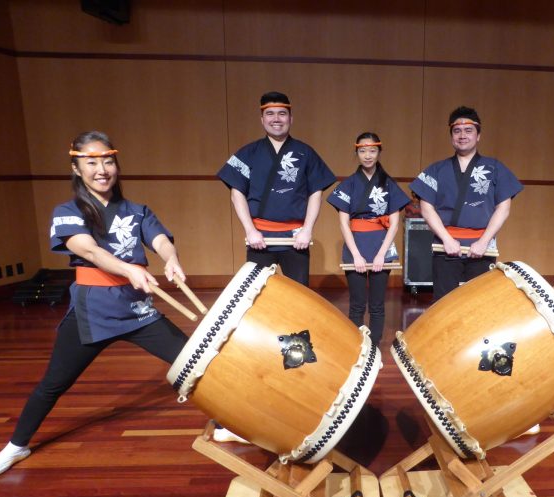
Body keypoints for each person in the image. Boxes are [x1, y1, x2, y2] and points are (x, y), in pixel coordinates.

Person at [0, 131, 190, 476]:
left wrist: (171, 258)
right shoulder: (67, 211)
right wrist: (130, 268)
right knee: (54, 382)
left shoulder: (136, 209)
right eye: (91, 161)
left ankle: (225, 423)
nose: (102, 169)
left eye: (107, 160)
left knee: (193, 361)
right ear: (76, 167)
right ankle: (16, 446)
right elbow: (88, 250)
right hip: (93, 310)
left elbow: (160, 238)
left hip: (137, 307)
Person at [217, 91, 336, 287]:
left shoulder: (305, 152)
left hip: (296, 237)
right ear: (262, 119)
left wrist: (307, 230)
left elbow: (316, 192)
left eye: (282, 113)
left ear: (291, 118)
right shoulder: (248, 152)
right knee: (255, 296)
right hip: (260, 236)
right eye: (270, 113)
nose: (276, 119)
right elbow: (236, 193)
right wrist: (250, 230)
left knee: (300, 297)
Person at [409, 106, 523, 301]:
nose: (463, 135)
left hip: (481, 247)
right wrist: (446, 239)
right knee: (444, 304)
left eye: (469, 130)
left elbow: (503, 208)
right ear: (451, 135)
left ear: (478, 135)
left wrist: (483, 241)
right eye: (457, 131)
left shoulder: (495, 168)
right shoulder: (437, 169)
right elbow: (426, 208)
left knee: (478, 303)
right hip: (445, 246)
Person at [327, 132, 410, 347]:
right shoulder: (349, 184)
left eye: (372, 150)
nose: (367, 155)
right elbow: (344, 223)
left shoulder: (389, 184)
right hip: (356, 245)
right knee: (356, 303)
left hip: (380, 245)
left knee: (377, 304)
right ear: (356, 152)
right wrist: (355, 254)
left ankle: (374, 346)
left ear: (379, 152)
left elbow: (394, 223)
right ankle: (357, 346)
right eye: (362, 151)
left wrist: (382, 253)